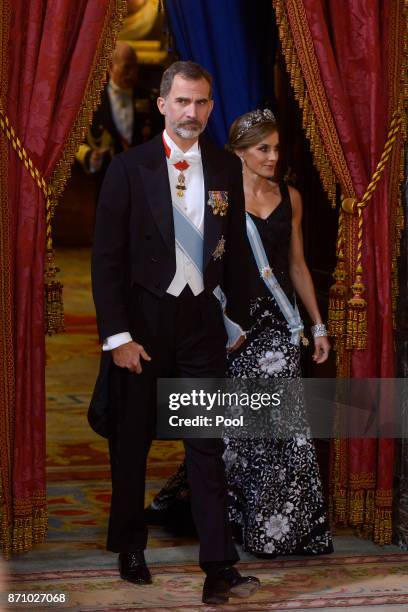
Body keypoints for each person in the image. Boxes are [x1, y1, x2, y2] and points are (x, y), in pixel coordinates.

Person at [89, 61, 260, 606]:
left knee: (205, 444)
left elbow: (232, 257)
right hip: (143, 324)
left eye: (203, 103)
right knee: (133, 440)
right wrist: (117, 337)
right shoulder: (129, 167)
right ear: (161, 103)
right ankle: (130, 545)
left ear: (212, 107)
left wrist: (236, 320)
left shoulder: (225, 169)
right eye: (183, 101)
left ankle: (219, 562)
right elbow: (106, 261)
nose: (193, 113)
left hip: (200, 325)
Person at [147, 109, 333, 557]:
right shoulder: (217, 198)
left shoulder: (290, 196)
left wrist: (317, 324)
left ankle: (278, 529)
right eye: (261, 149)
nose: (272, 156)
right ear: (239, 153)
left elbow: (297, 265)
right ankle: (226, 516)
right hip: (231, 327)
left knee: (282, 430)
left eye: (275, 148)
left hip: (279, 328)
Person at [76, 42, 159, 179]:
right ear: (110, 67)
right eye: (127, 67)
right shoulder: (91, 102)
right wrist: (90, 156)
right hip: (106, 178)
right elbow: (74, 141)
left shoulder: (150, 98)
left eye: (135, 67)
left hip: (142, 179)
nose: (133, 74)